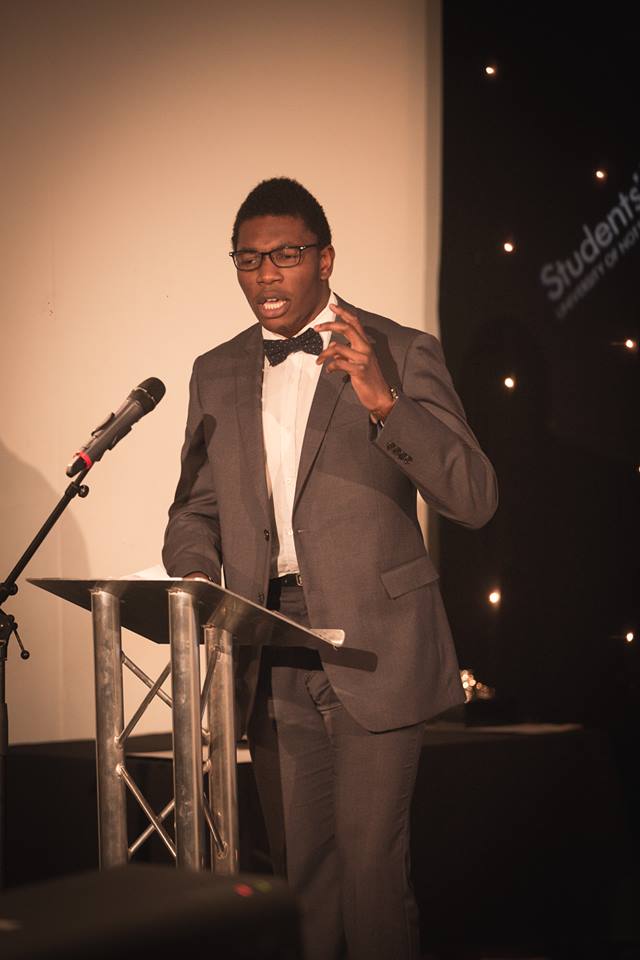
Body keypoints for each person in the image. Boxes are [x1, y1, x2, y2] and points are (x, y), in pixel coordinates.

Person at [162, 177, 497, 960]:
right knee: (302, 876)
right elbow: (194, 509)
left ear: (325, 258)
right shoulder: (216, 370)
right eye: (249, 259)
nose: (266, 274)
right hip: (269, 643)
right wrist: (197, 574)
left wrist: (386, 403)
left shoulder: (401, 350)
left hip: (377, 644)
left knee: (371, 867)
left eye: (285, 254)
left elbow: (474, 498)